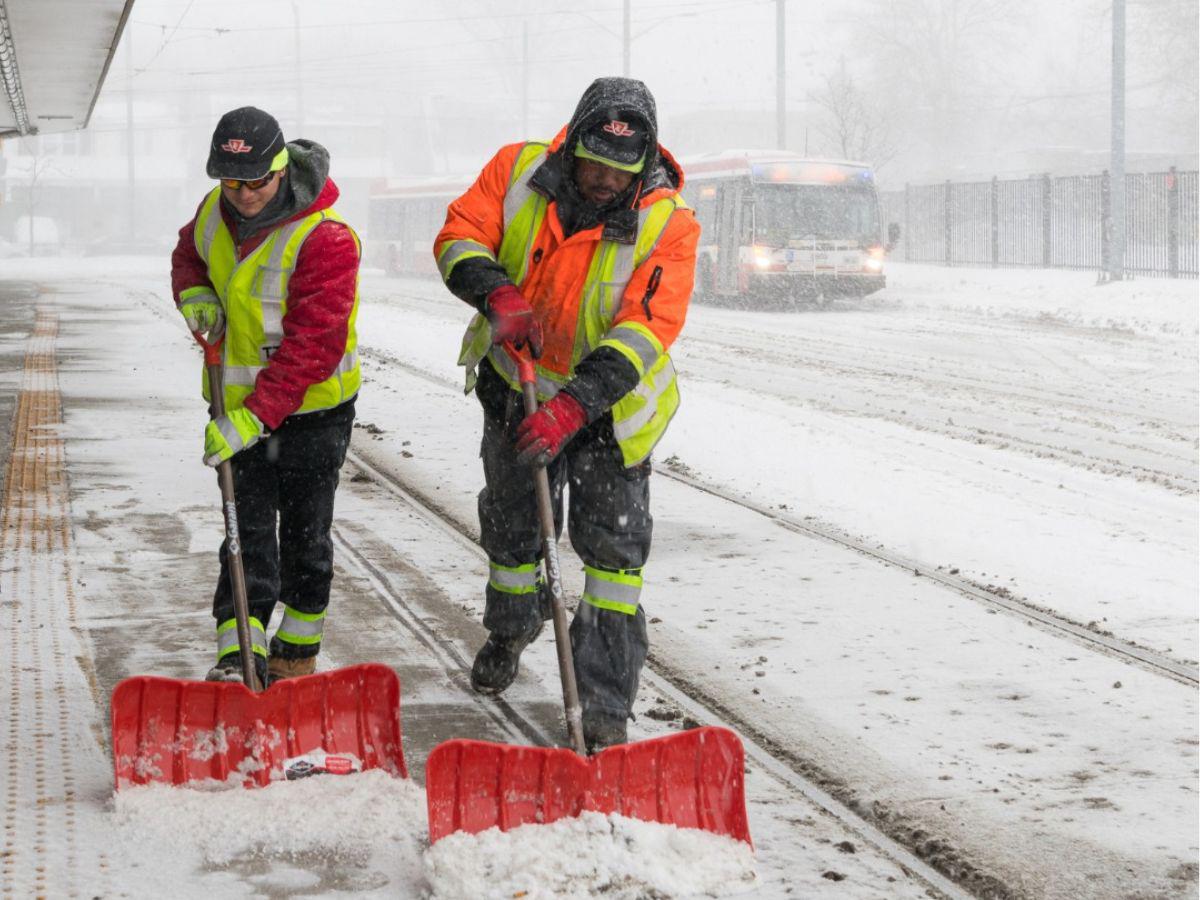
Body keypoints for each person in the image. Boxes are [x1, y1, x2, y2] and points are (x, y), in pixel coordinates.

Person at [434, 77, 699, 752]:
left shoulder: (670, 225)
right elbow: (461, 234)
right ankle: (512, 626)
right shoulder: (516, 172)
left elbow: (646, 327)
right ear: (573, 139)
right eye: (595, 162)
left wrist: (576, 405)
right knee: (514, 526)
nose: (606, 178)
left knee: (612, 560)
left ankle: (604, 706)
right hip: (515, 383)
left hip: (610, 408)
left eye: (623, 169)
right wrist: (496, 293)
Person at [170, 106, 362, 686]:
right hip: (235, 412)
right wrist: (195, 293)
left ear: (281, 169)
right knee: (245, 535)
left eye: (257, 180)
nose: (245, 194)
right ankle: (238, 659)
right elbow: (188, 256)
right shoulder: (213, 213)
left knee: (306, 539)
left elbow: (313, 346)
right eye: (232, 182)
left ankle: (294, 659)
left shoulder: (326, 238)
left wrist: (255, 419)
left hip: (312, 415)